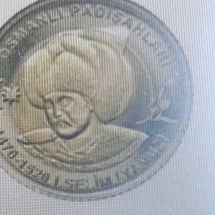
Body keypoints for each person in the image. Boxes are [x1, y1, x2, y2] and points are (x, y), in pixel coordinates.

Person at [17, 30, 147, 166]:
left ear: (91, 100)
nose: (56, 113)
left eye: (65, 101)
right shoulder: (31, 144)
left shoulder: (129, 141)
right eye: (49, 103)